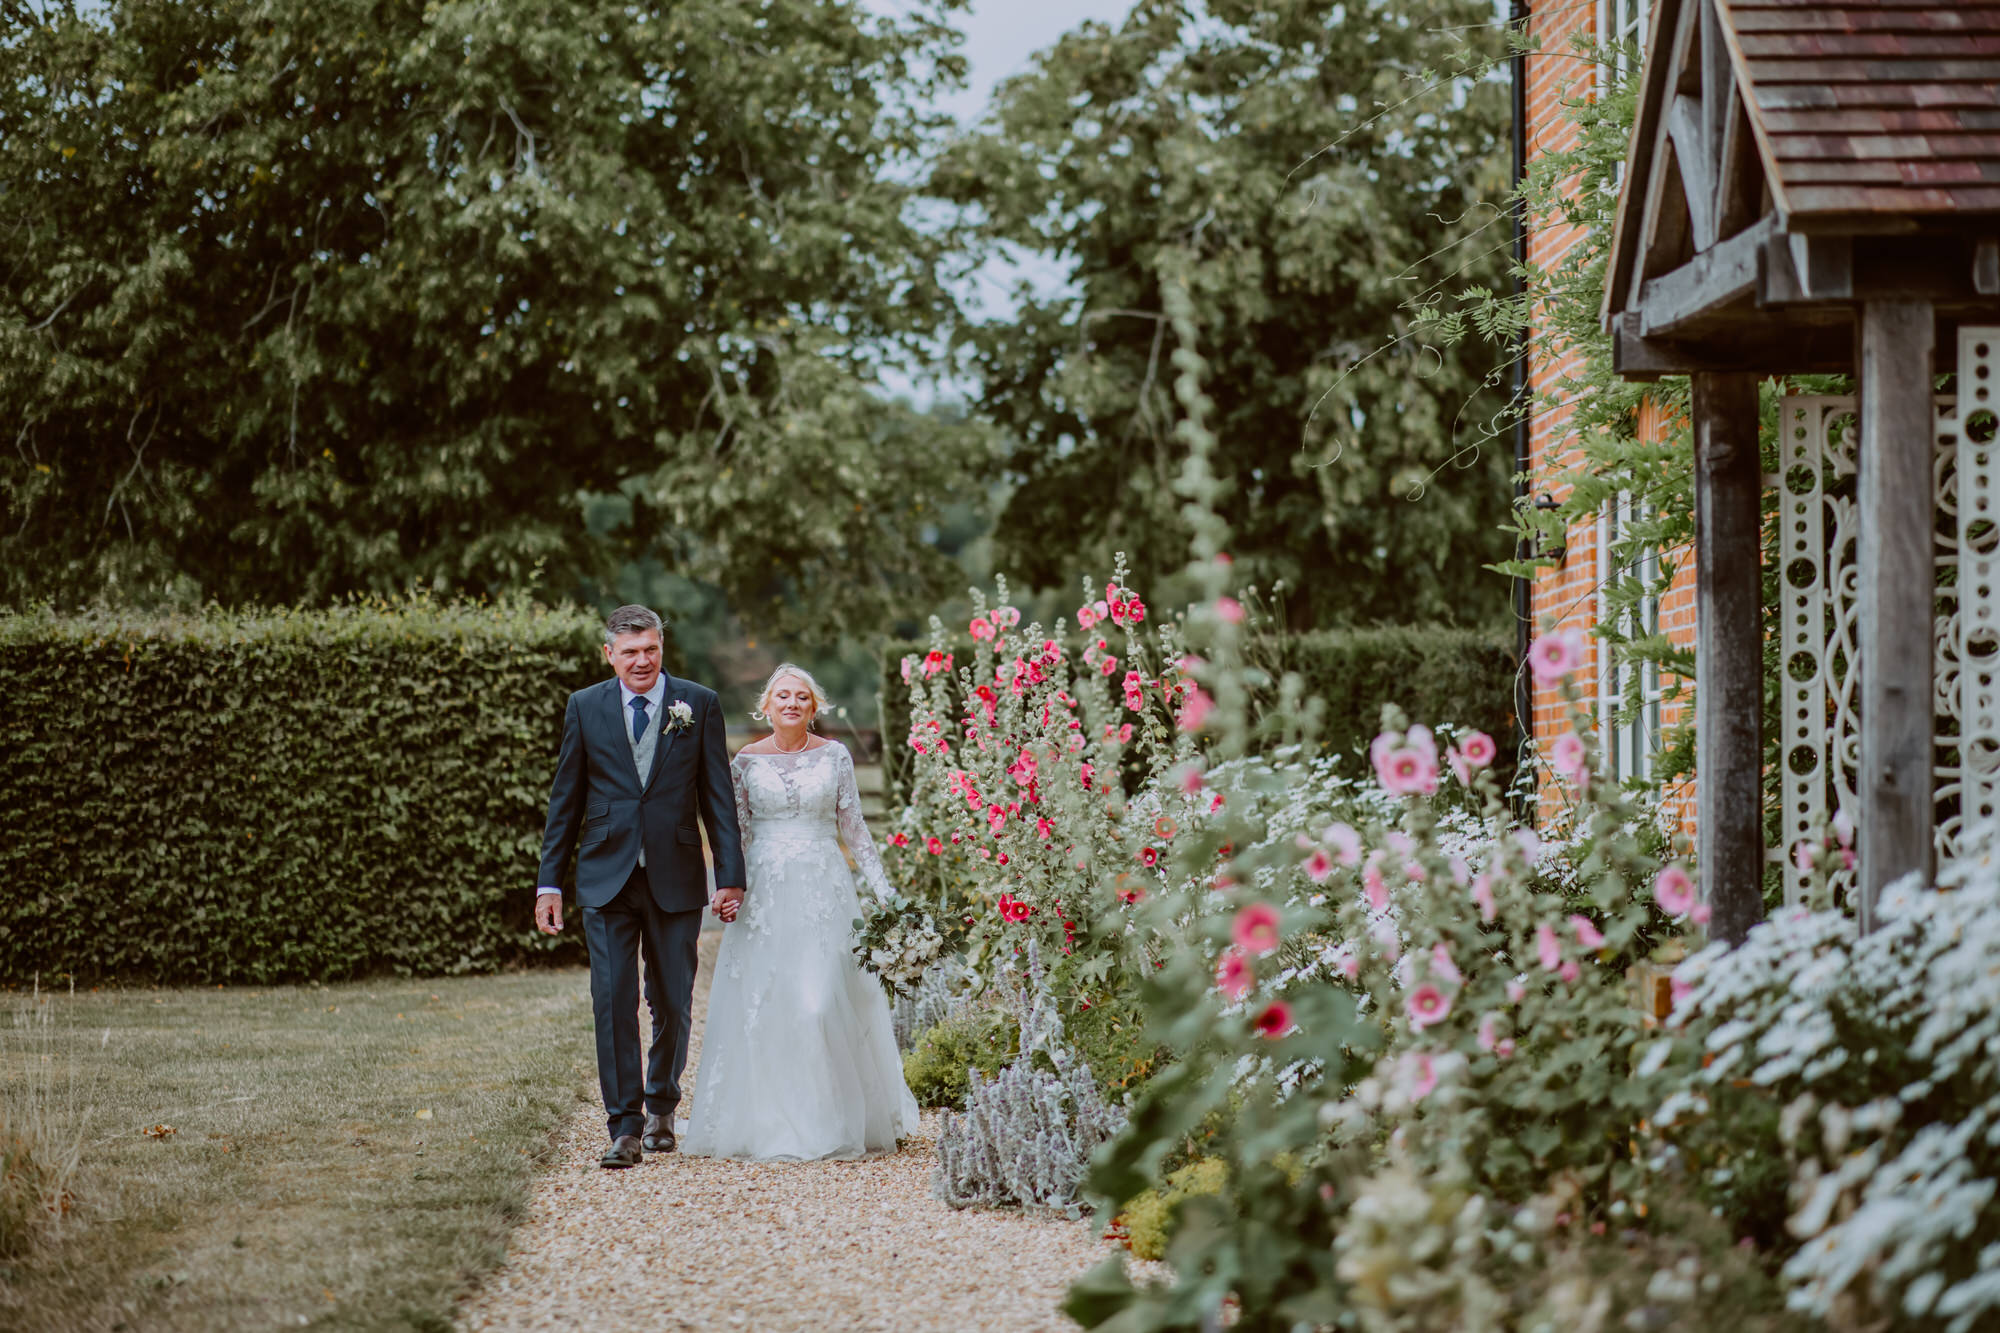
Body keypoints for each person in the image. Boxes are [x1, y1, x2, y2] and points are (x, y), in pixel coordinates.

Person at [533, 605, 745, 1169]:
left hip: (675, 874)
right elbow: (566, 801)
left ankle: (661, 1107)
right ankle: (624, 1125)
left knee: (672, 1001)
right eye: (629, 652)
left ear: (661, 648)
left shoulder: (697, 704)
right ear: (610, 654)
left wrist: (730, 876)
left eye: (650, 649)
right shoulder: (585, 706)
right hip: (606, 876)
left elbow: (717, 796)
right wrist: (548, 883)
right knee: (612, 1000)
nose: (642, 660)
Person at [681, 663, 919, 1160]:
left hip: (823, 890)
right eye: (782, 696)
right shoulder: (744, 762)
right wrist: (728, 886)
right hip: (764, 894)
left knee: (819, 1002)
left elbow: (854, 828)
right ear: (766, 705)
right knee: (769, 1003)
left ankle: (828, 1121)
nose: (792, 703)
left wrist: (885, 896)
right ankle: (771, 1122)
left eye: (802, 697)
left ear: (814, 708)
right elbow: (736, 835)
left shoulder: (835, 756)